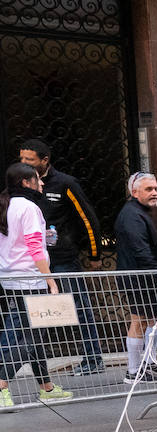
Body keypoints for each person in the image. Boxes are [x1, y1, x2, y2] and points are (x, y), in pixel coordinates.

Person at [18, 139, 103, 375]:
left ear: (44, 161)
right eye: (22, 159)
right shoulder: (20, 185)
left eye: (29, 160)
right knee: (34, 313)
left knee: (80, 307)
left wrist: (94, 254)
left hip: (62, 259)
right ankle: (36, 369)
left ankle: (93, 358)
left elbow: (88, 219)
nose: (24, 163)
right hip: (34, 261)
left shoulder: (65, 184)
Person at [0, 163, 69, 408]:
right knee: (33, 337)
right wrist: (50, 279)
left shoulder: (6, 205)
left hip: (11, 278)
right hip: (31, 278)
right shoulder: (29, 208)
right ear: (25, 183)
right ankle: (1, 384)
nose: (42, 184)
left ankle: (46, 387)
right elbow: (33, 247)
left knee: (32, 334)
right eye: (37, 180)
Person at [115, 172, 157, 383]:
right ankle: (133, 371)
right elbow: (139, 249)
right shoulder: (132, 214)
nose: (155, 193)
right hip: (137, 277)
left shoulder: (139, 212)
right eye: (149, 189)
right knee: (139, 321)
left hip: (143, 275)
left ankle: (149, 361)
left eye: (156, 189)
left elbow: (141, 245)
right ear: (134, 192)